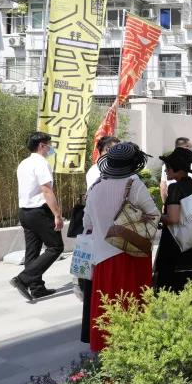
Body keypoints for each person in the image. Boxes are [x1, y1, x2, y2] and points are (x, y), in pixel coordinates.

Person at [82, 142, 158, 352]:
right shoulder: (135, 184)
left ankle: (107, 350)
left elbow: (87, 222)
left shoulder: (95, 187)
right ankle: (134, 349)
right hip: (132, 252)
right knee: (133, 303)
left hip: (102, 257)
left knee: (107, 304)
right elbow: (153, 214)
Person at [11, 132, 64, 303]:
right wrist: (57, 214)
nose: (51, 148)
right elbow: (46, 190)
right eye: (49, 144)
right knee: (55, 247)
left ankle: (37, 288)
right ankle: (23, 279)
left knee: (32, 251)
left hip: (25, 212)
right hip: (39, 211)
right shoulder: (41, 163)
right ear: (42, 145)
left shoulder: (24, 163)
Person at [154, 146, 192, 291]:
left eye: (168, 167)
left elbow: (173, 219)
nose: (165, 171)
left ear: (176, 168)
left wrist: (157, 217)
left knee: (174, 290)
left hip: (178, 247)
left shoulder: (175, 188)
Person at [78, 134, 119, 344]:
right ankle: (95, 332)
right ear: (103, 151)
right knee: (96, 286)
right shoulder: (97, 172)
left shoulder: (116, 173)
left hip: (106, 235)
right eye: (114, 150)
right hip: (101, 235)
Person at [160, 137, 192, 202]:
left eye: (168, 168)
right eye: (189, 147)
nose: (191, 150)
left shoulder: (174, 188)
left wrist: (165, 203)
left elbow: (163, 186)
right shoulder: (190, 163)